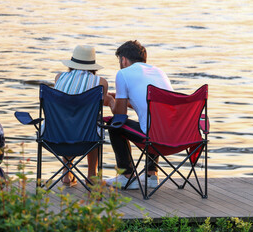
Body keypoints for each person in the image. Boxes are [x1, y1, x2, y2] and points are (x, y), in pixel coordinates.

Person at [104, 40, 173, 189]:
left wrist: (110, 100)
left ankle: (127, 176)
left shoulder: (123, 73)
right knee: (154, 120)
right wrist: (124, 100)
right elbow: (149, 105)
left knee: (114, 124)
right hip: (174, 136)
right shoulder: (159, 72)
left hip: (153, 138)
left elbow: (120, 114)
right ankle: (151, 174)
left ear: (123, 60)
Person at [54, 45, 109, 186]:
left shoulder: (59, 77)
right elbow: (98, 106)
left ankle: (67, 173)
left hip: (56, 134)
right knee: (94, 123)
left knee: (66, 119)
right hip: (87, 137)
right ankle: (92, 175)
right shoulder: (100, 82)